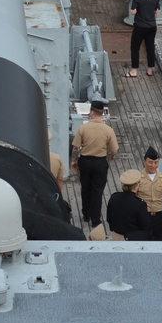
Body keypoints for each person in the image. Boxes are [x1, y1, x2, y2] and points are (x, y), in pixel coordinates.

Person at [71, 99, 118, 234]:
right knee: (97, 191)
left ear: (92, 112)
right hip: (100, 162)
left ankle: (86, 214)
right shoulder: (108, 130)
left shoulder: (83, 128)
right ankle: (96, 219)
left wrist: (74, 162)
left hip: (85, 161)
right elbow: (114, 150)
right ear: (102, 113)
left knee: (86, 188)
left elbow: (76, 147)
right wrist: (111, 156)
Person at [134, 146, 162, 240]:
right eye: (150, 162)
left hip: (158, 217)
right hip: (142, 216)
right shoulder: (137, 177)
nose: (153, 165)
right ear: (144, 161)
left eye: (156, 162)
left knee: (157, 243)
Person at [128, 0, 160, 78]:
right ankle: (150, 70)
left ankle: (134, 71)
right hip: (151, 26)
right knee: (150, 47)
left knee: (135, 47)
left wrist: (132, 10)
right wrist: (150, 18)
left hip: (140, 27)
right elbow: (158, 12)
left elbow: (133, 12)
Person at [106, 169, 151, 241]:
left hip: (116, 236)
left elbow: (109, 218)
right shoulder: (139, 204)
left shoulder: (114, 197)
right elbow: (146, 228)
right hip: (131, 240)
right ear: (136, 186)